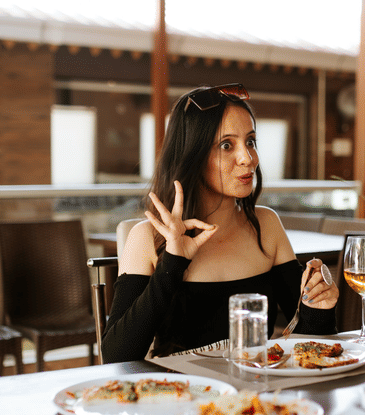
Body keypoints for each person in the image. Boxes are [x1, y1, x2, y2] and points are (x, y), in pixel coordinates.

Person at [101, 83, 338, 363]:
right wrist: (173, 262)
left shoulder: (266, 225)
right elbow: (116, 357)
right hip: (182, 395)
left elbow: (309, 346)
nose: (247, 159)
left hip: (256, 397)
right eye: (227, 145)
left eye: (250, 141)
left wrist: (319, 307)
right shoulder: (147, 237)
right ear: (193, 154)